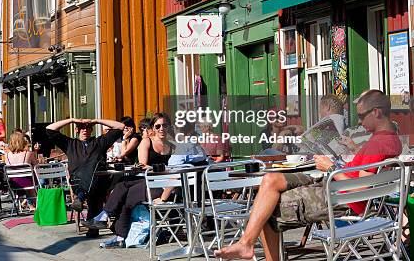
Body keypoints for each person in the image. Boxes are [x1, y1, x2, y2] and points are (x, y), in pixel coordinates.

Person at [215, 90, 403, 261]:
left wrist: (330, 167)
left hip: (341, 197)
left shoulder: (377, 144)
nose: (360, 121)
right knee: (271, 179)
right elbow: (365, 171)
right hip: (334, 183)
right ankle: (245, 244)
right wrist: (348, 155)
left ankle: (246, 244)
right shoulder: (391, 140)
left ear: (377, 112)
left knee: (266, 210)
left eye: (362, 116)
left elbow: (360, 189)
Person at [86, 113, 174, 248]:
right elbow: (144, 165)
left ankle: (113, 226)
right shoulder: (147, 141)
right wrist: (158, 168)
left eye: (165, 125)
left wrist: (158, 169)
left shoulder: (172, 145)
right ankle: (109, 221)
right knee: (123, 186)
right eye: (158, 126)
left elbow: (174, 168)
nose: (161, 128)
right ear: (153, 128)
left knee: (125, 194)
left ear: (169, 127)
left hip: (164, 186)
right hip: (149, 181)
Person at [46, 117, 125, 238]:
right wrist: (72, 120)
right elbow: (49, 129)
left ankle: (81, 200)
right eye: (82, 128)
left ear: (91, 129)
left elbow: (120, 127)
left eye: (88, 127)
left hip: (98, 182)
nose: (84, 130)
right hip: (78, 182)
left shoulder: (99, 142)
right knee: (93, 179)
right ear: (77, 129)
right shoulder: (70, 144)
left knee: (94, 167)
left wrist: (97, 120)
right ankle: (93, 223)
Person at [4, 131, 38, 210]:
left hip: (14, 184)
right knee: (32, 180)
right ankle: (38, 204)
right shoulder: (28, 153)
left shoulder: (7, 155)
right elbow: (37, 166)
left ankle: (27, 204)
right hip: (28, 183)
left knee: (26, 179)